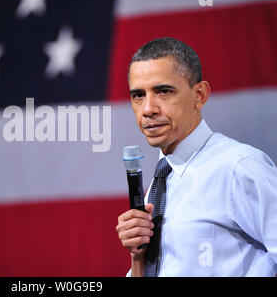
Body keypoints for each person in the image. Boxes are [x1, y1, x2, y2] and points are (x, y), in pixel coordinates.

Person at [116, 37, 277, 276]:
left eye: (163, 91)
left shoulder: (240, 167)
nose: (148, 109)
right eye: (138, 95)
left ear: (199, 95)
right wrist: (138, 259)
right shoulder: (161, 181)